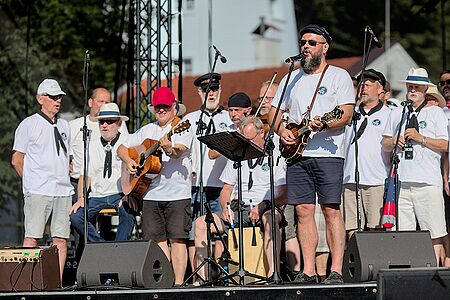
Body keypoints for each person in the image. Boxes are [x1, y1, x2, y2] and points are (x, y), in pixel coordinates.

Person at [269, 24, 355, 284]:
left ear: (324, 47)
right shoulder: (290, 78)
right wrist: (281, 130)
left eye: (311, 42)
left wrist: (326, 123)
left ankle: (336, 270)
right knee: (303, 211)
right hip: (297, 154)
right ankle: (308, 271)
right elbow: (273, 112)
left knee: (331, 210)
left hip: (328, 153)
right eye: (303, 41)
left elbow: (346, 112)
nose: (305, 46)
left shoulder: (338, 76)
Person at [194, 116, 287, 280]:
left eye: (251, 139)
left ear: (262, 133)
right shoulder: (238, 156)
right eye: (245, 139)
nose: (248, 143)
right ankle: (202, 278)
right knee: (201, 223)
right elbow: (226, 189)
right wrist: (225, 207)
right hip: (240, 208)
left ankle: (273, 274)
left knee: (270, 219)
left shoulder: (276, 155)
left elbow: (283, 192)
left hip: (266, 207)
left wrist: (263, 205)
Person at [117, 87, 192, 285]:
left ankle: (178, 283)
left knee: (177, 239)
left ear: (174, 107)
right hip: (150, 193)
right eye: (158, 107)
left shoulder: (182, 126)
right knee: (157, 240)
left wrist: (169, 147)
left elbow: (179, 151)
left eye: (165, 107)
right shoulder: (147, 130)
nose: (161, 111)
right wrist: (129, 161)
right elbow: (122, 148)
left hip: (177, 193)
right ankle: (165, 281)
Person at [382, 67, 448, 265]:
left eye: (417, 87)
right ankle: (406, 270)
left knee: (434, 231)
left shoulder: (436, 113)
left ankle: (437, 272)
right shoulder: (397, 112)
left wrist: (421, 138)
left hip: (427, 182)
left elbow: (445, 145)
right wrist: (394, 141)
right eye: (410, 86)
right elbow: (384, 143)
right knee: (403, 232)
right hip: (402, 181)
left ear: (425, 89)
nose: (412, 90)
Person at [11, 79, 73, 280]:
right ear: (40, 99)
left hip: (62, 190)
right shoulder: (29, 124)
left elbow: (66, 157)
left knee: (61, 239)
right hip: (38, 190)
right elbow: (16, 159)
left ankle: (57, 282)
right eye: (53, 97)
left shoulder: (64, 125)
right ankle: (26, 281)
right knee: (33, 237)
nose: (57, 101)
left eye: (59, 97)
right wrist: (31, 182)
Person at [183, 72, 232, 273]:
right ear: (199, 92)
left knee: (222, 234)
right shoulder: (191, 119)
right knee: (195, 234)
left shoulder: (229, 117)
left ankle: (220, 274)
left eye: (214, 89)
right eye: (206, 90)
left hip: (221, 186)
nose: (210, 94)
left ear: (220, 90)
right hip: (197, 186)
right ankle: (198, 277)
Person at [69, 103, 135, 242]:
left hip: (120, 194)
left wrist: (130, 195)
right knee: (76, 216)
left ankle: (119, 249)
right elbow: (85, 175)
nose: (104, 125)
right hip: (97, 196)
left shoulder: (128, 143)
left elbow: (136, 173)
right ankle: (101, 246)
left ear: (118, 124)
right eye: (101, 121)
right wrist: (81, 197)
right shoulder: (91, 145)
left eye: (109, 122)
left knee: (128, 212)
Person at [342, 69, 391, 237]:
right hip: (349, 178)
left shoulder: (388, 114)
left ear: (380, 90)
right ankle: (358, 261)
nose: (363, 88)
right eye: (361, 85)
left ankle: (375, 263)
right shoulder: (351, 114)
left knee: (376, 226)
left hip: (375, 179)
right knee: (351, 228)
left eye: (368, 85)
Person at [69, 88, 128, 200]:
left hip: (108, 186)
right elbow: (63, 150)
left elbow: (125, 147)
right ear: (90, 102)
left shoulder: (119, 125)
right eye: (101, 101)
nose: (104, 105)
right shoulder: (74, 125)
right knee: (78, 215)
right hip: (79, 182)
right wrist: (67, 161)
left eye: (107, 102)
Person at [208, 92, 253, 159]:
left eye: (237, 110)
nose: (233, 114)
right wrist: (235, 139)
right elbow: (212, 154)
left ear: (248, 110)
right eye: (230, 110)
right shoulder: (225, 130)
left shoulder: (255, 128)